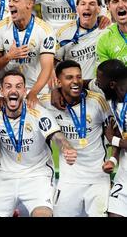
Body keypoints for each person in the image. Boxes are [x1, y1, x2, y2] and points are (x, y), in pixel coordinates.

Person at [0, 70, 77, 217]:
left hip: (37, 175)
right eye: (8, 86)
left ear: (24, 90)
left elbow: (57, 136)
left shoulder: (38, 112)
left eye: (18, 86)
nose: (13, 90)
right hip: (5, 176)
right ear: (1, 91)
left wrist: (67, 148)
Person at [40, 60, 115, 216]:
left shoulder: (97, 101)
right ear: (59, 82)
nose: (75, 81)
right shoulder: (47, 103)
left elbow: (113, 133)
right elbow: (22, 105)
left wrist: (113, 160)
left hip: (98, 176)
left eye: (78, 77)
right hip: (69, 178)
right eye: (69, 77)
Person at [0, 0, 56, 107]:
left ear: (29, 4)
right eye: (9, 0)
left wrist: (33, 93)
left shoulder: (45, 30)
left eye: (16, 0)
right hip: (8, 89)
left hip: (37, 88)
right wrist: (9, 56)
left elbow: (47, 67)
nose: (10, 4)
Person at [55, 0, 105, 79]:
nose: (87, 7)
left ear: (99, 9)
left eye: (92, 4)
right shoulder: (64, 33)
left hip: (101, 89)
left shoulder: (106, 29)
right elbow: (53, 63)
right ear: (77, 8)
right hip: (75, 88)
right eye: (83, 4)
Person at [99, 63, 127, 217]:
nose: (97, 84)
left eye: (99, 81)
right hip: (124, 175)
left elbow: (115, 138)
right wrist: (113, 161)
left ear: (111, 85)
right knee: (114, 213)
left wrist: (111, 139)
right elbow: (85, 83)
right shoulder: (113, 101)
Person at [96, 0, 127, 66]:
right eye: (115, 2)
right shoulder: (104, 40)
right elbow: (104, 76)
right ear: (108, 7)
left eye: (125, 0)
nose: (120, 5)